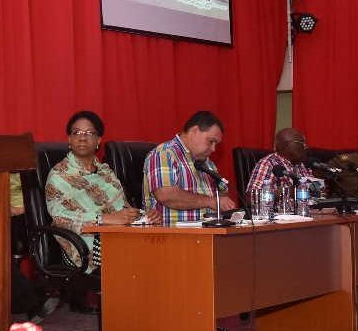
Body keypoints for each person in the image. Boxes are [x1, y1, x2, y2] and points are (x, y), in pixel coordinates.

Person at [45, 111, 161, 272]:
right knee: (145, 263)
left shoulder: (105, 172)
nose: (82, 137)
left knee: (164, 251)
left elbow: (123, 210)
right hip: (83, 249)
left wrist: (145, 216)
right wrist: (104, 219)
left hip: (119, 237)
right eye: (76, 132)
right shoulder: (59, 175)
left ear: (98, 140)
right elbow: (60, 217)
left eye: (89, 133)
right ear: (69, 140)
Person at [143, 111, 236, 225]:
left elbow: (221, 194)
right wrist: (211, 202)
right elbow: (167, 195)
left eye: (216, 144)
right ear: (194, 131)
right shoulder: (165, 153)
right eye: (211, 141)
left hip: (208, 233)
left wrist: (224, 203)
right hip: (175, 235)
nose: (213, 149)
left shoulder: (207, 163)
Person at [245, 128, 312, 193]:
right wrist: (288, 192)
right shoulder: (269, 163)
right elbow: (251, 196)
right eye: (302, 143)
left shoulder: (301, 163)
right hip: (282, 204)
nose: (305, 146)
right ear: (286, 145)